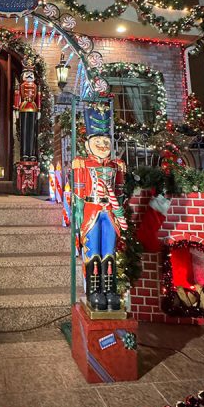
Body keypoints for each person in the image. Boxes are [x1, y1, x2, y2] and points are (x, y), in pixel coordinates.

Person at [72, 103, 127, 311]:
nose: (103, 144)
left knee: (109, 251)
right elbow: (78, 196)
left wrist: (120, 210)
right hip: (92, 211)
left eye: (106, 140)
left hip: (110, 213)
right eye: (98, 140)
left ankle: (110, 291)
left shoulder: (116, 166)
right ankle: (94, 291)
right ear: (87, 145)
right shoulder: (82, 164)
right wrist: (77, 219)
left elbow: (120, 192)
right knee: (93, 249)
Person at [13, 62, 40, 161]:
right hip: (23, 107)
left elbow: (38, 98)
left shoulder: (36, 87)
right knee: (24, 131)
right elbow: (17, 96)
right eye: (27, 73)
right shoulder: (21, 86)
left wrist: (39, 110)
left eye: (31, 74)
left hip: (33, 107)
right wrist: (15, 109)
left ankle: (32, 153)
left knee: (32, 131)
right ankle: (24, 153)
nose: (29, 75)